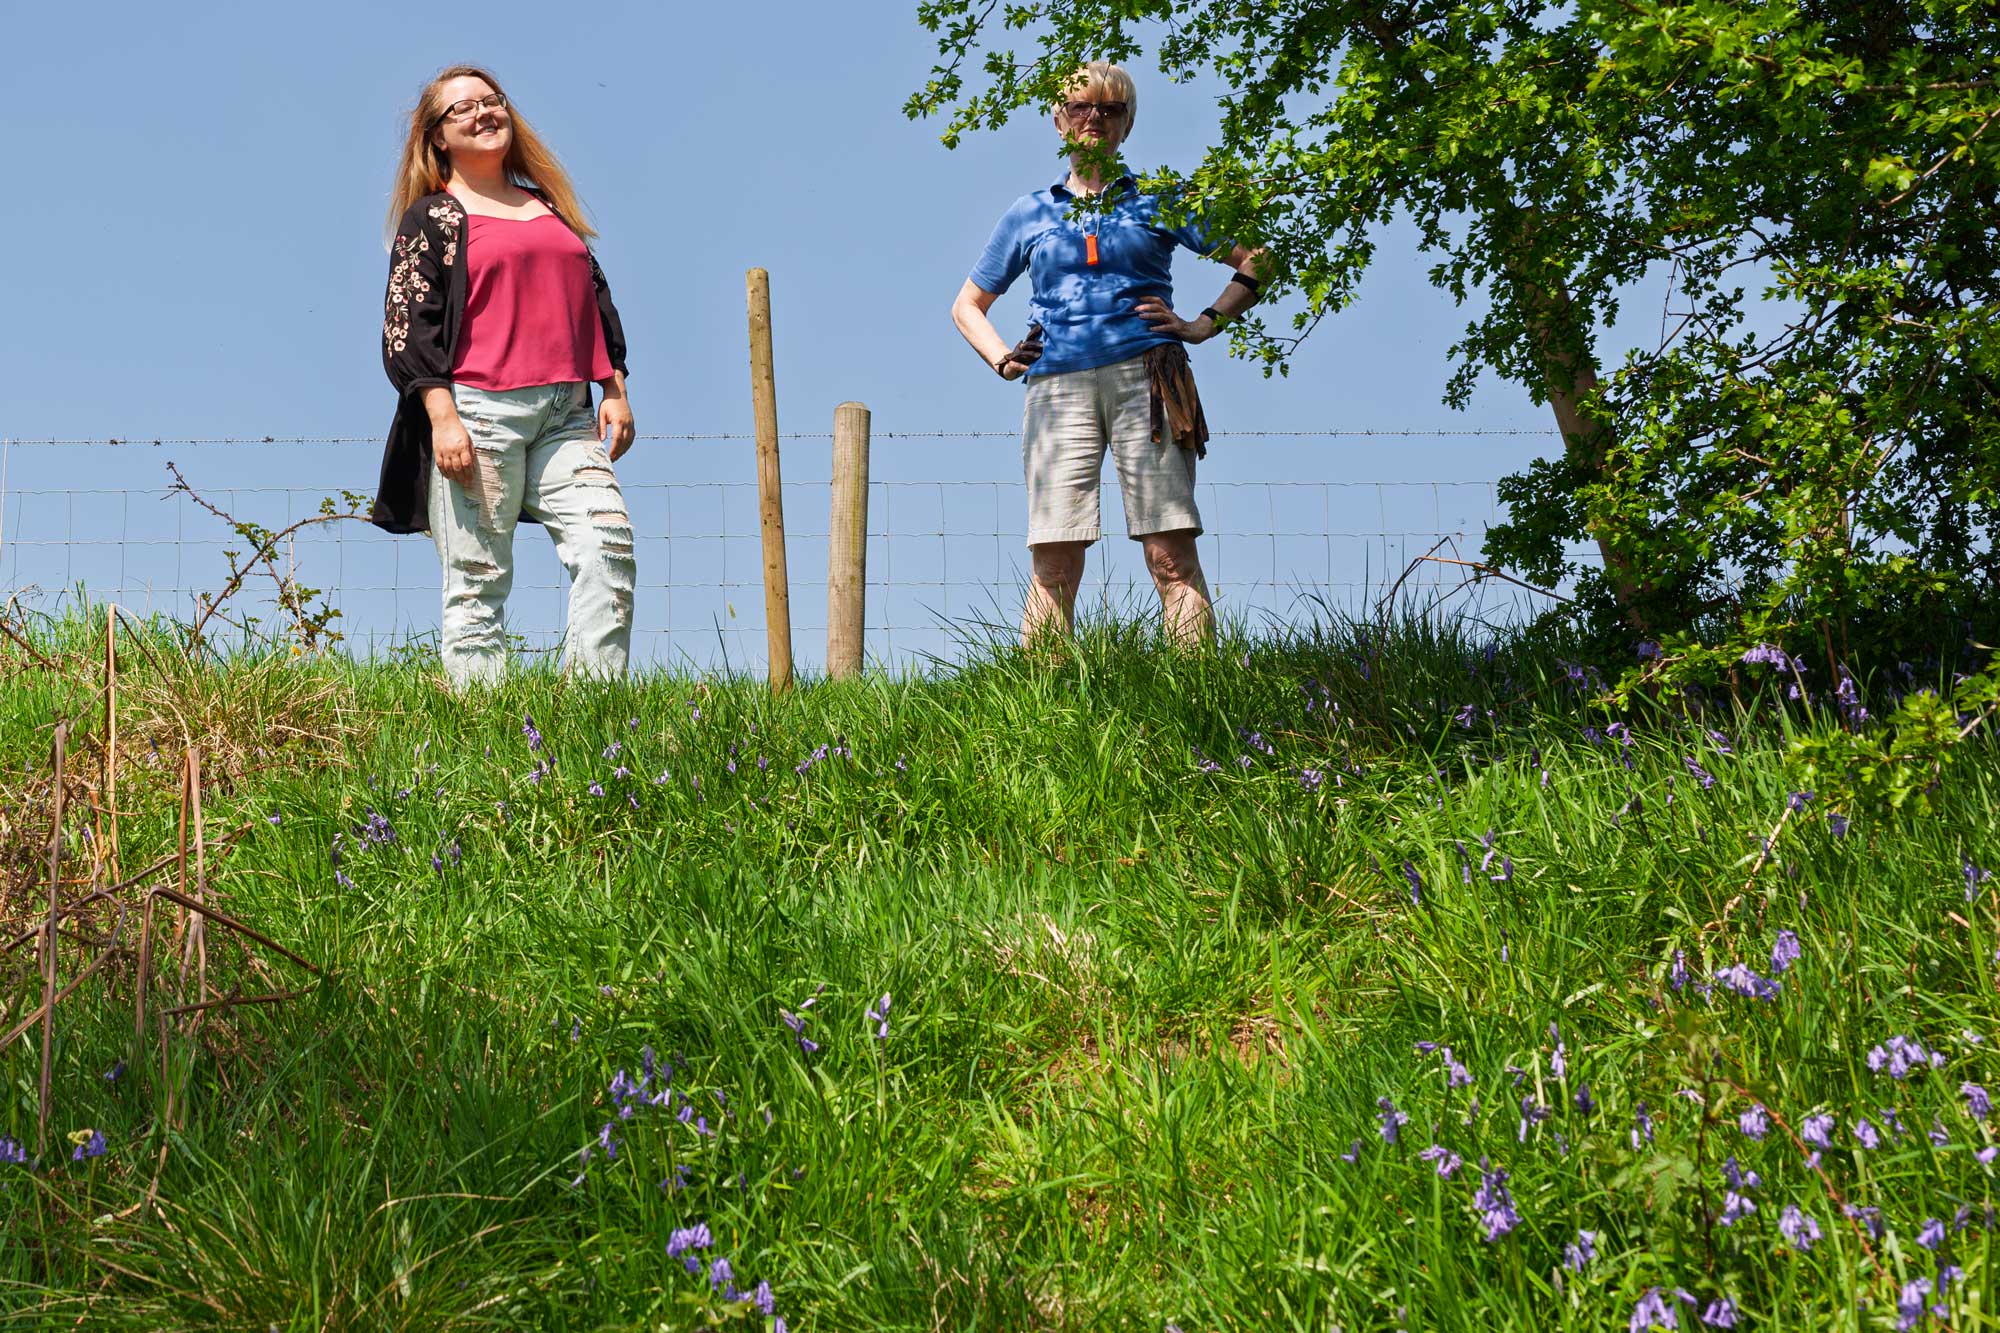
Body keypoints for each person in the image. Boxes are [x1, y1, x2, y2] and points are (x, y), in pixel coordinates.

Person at [951, 60, 1265, 650]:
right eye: (1080, 107)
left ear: (1127, 124)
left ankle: (1199, 700)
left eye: (1110, 109)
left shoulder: (1159, 200)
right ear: (1059, 118)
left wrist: (1203, 324)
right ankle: (1042, 707)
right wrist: (1002, 359)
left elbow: (1258, 258)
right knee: (1054, 559)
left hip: (1148, 377)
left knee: (1170, 553)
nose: (1094, 118)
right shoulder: (1030, 212)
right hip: (1055, 387)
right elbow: (968, 305)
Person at [373, 65, 638, 687]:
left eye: (492, 101)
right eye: (462, 110)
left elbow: (594, 297)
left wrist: (615, 387)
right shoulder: (432, 218)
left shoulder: (547, 208)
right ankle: (487, 736)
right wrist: (442, 418)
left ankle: (587, 719)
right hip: (477, 412)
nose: (483, 113)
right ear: (437, 136)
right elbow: (409, 324)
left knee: (610, 551)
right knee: (478, 584)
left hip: (566, 416)